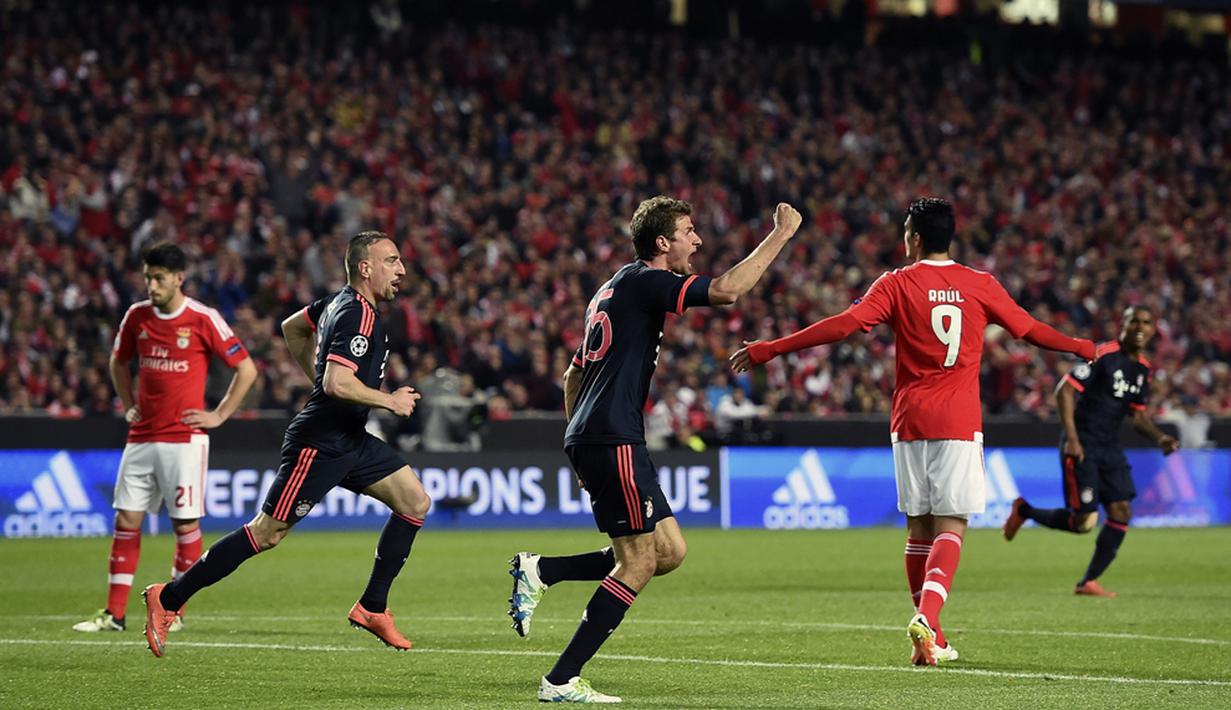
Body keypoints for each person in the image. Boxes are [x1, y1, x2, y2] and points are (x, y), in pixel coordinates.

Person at [729, 197, 1097, 666]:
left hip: (908, 420)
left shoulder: (897, 283)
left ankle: (932, 637)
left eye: (905, 231)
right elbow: (1029, 330)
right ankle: (928, 617)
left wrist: (772, 349)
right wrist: (1082, 347)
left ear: (916, 238)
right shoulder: (980, 284)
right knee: (952, 524)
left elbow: (844, 325)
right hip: (957, 420)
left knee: (919, 526)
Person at [507, 197, 802, 703]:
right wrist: (781, 234)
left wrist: (576, 435)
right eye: (689, 231)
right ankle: (560, 680)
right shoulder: (646, 280)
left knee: (669, 552)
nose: (698, 240)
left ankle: (543, 571)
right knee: (639, 562)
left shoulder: (612, 287)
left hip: (605, 435)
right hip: (612, 436)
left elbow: (573, 374)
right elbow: (728, 291)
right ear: (663, 243)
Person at [141, 231, 430, 657]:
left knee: (414, 501)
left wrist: (318, 373)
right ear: (365, 268)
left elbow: (292, 328)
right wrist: (389, 400)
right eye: (392, 261)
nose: (402, 270)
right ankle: (167, 598)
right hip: (320, 442)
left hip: (350, 437)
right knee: (266, 533)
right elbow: (337, 383)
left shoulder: (336, 303)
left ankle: (372, 606)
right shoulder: (357, 316)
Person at [73, 242, 256, 634]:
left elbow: (246, 369)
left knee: (184, 524)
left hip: (184, 439)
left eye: (159, 278)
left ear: (179, 278)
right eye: (148, 278)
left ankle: (173, 611)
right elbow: (118, 361)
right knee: (126, 519)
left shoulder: (203, 318)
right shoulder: (137, 316)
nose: (152, 286)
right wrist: (128, 403)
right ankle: (114, 614)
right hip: (141, 436)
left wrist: (219, 414)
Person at [1002, 305, 1179, 597]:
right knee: (1084, 522)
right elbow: (1065, 390)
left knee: (1122, 511)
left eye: (1146, 322)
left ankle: (1088, 581)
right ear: (1123, 325)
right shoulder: (1103, 355)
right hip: (1082, 443)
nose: (1140, 327)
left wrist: (1159, 438)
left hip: (1110, 447)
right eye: (1134, 321)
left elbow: (1136, 415)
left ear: (1153, 330)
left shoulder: (1143, 370)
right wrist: (1072, 438)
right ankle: (1024, 510)